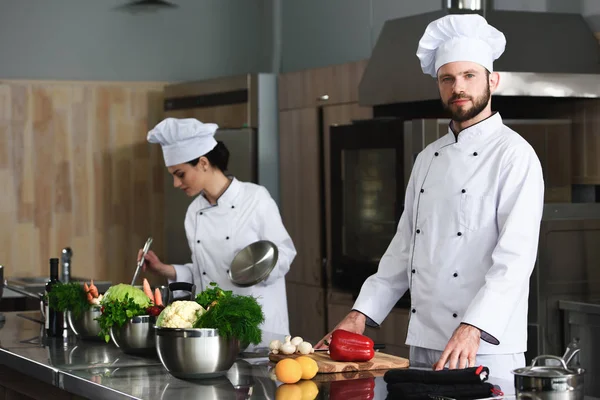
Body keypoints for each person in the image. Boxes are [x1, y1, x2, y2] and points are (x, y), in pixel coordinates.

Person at [317, 14, 544, 380]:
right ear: (439, 86)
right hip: (424, 339)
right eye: (448, 78)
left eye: (469, 75)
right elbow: (405, 248)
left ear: (493, 80)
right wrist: (359, 315)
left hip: (484, 343)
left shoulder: (514, 155)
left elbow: (515, 260)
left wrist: (473, 326)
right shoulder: (428, 158)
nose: (459, 87)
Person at [140, 117, 297, 336]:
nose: (176, 184)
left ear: (203, 163)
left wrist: (256, 268)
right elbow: (204, 272)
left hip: (259, 328)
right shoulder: (194, 212)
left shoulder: (255, 199)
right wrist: (164, 269)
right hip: (215, 328)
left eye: (180, 174)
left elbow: (285, 253)